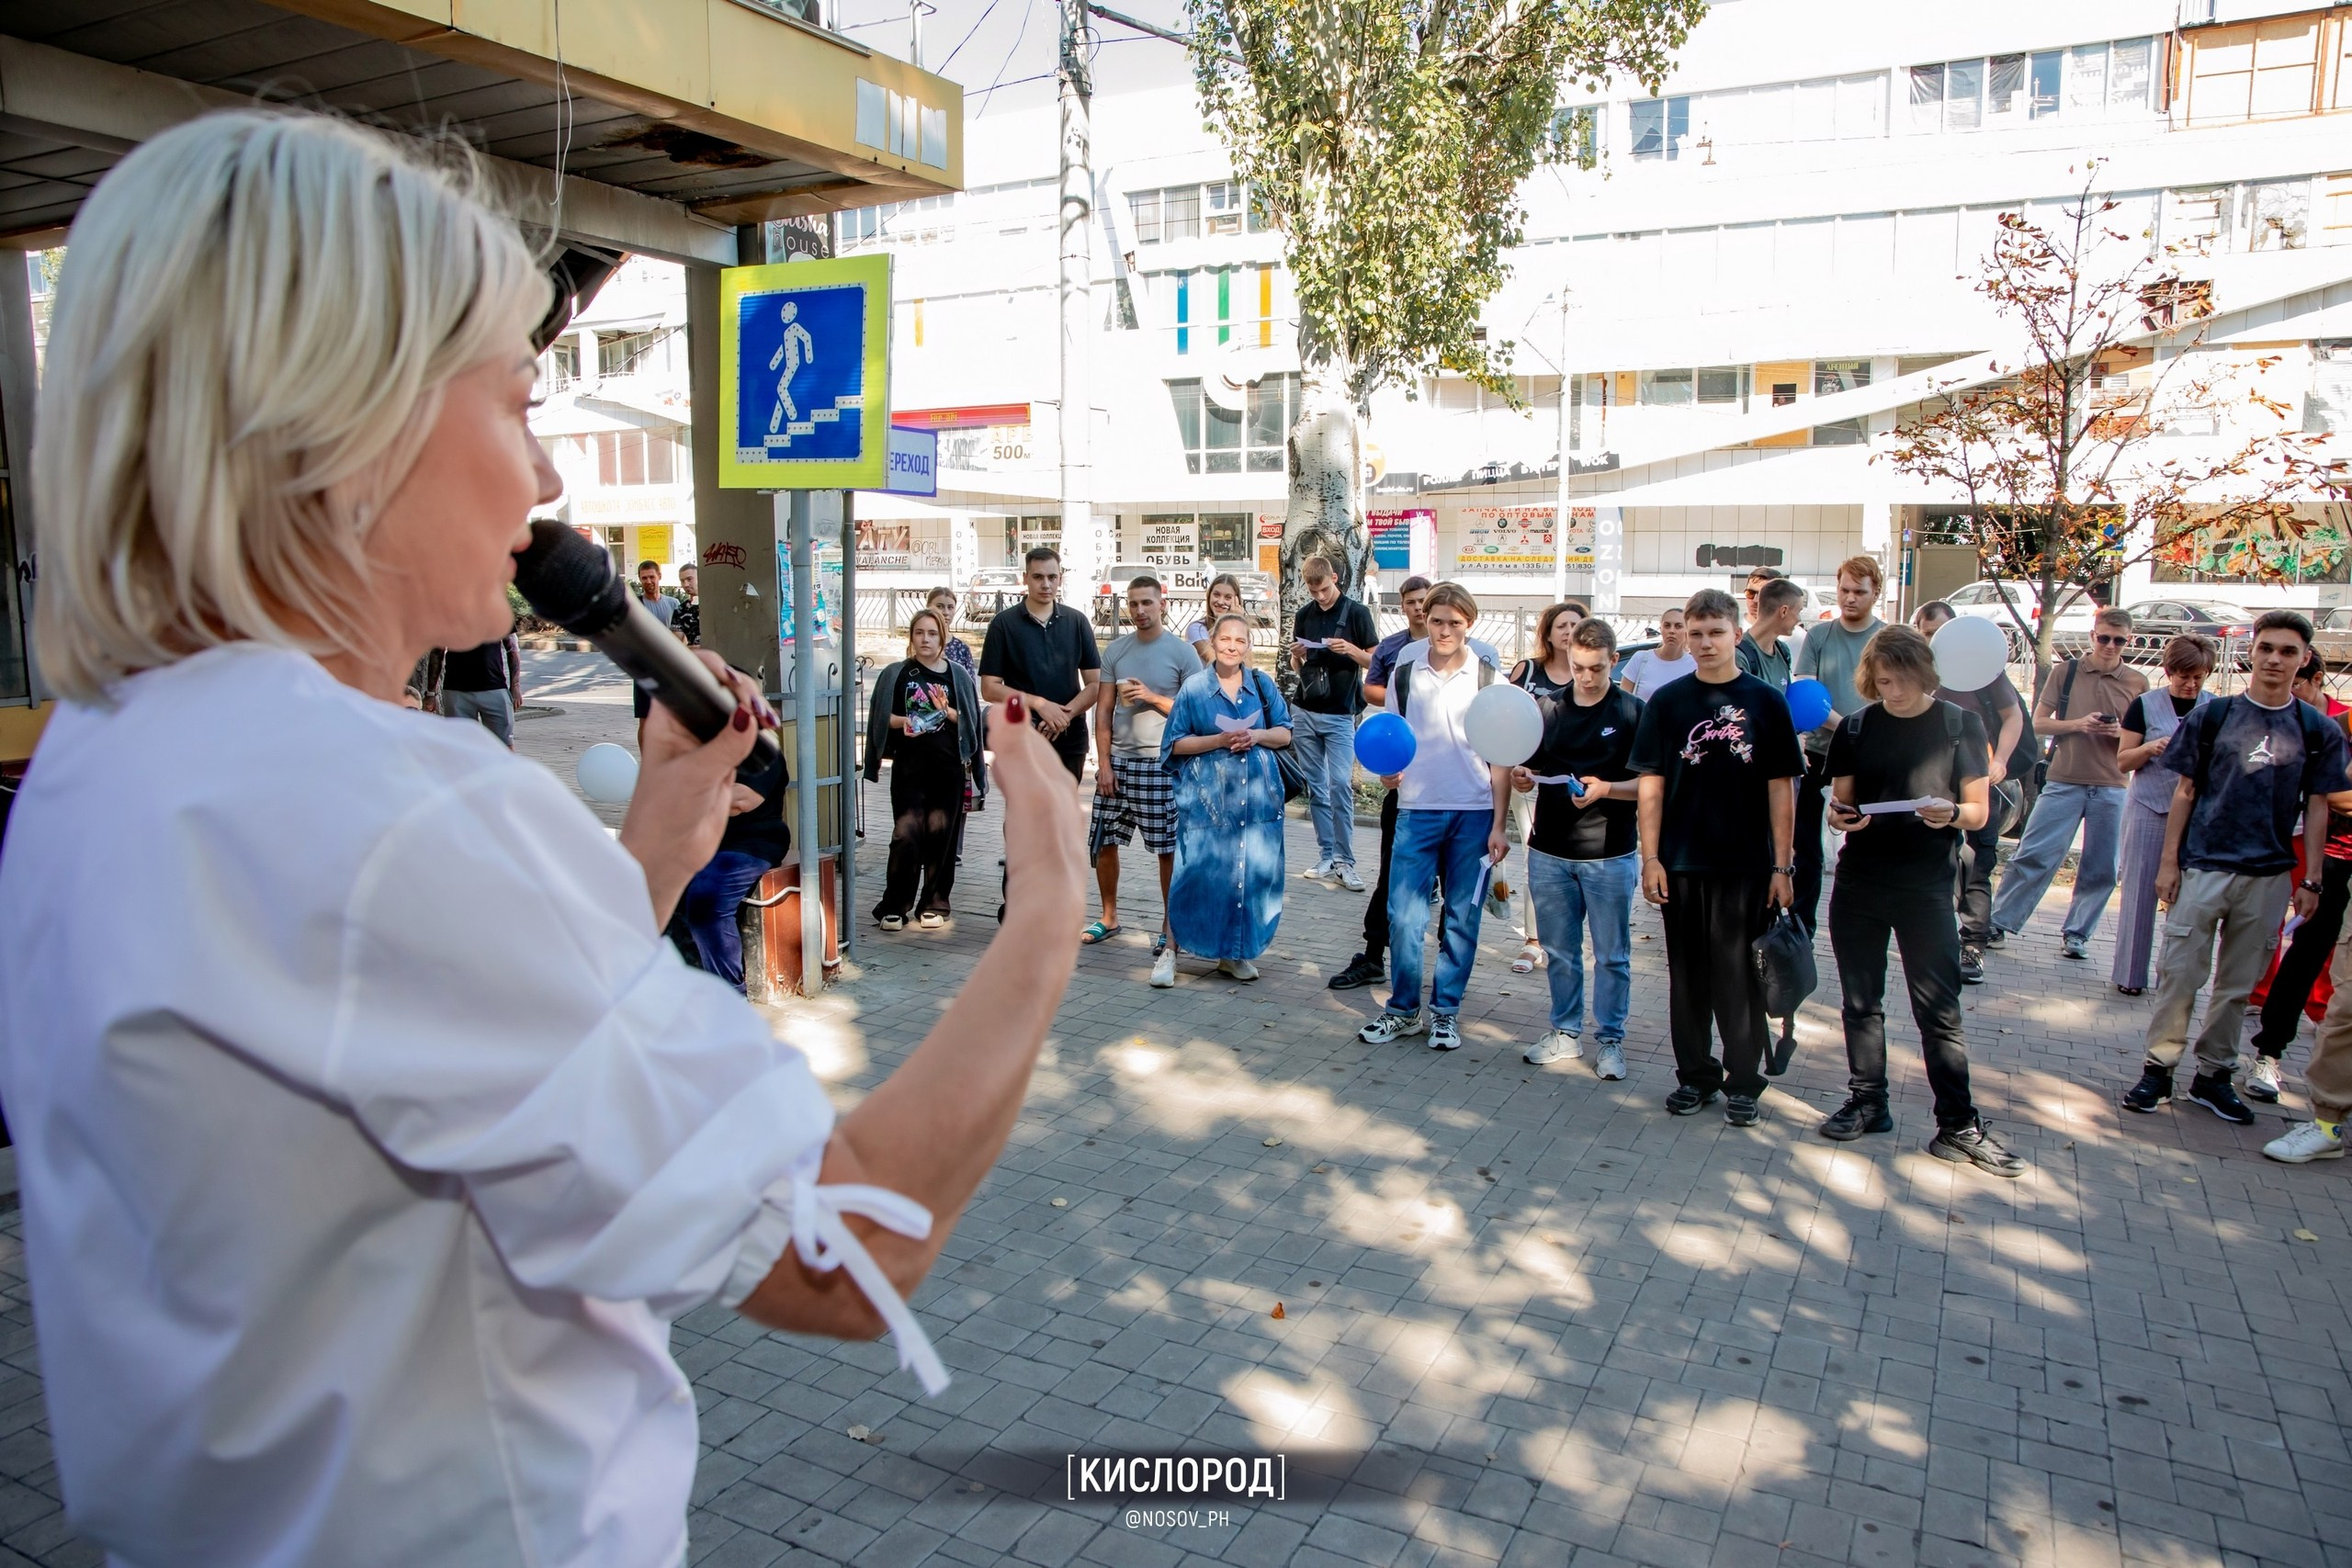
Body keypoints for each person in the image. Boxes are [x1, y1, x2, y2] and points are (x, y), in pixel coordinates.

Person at [0, 110, 1087, 1568]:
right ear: (351, 420)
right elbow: (850, 1243)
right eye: (517, 403)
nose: (549, 484)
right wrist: (1049, 904)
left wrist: (659, 826)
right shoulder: (392, 807)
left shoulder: (108, 750)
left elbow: (416, 1039)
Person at [2123, 612, 2352, 1124]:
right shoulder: (2214, 716)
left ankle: (2214, 1075)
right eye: (2267, 648)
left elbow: (2319, 806)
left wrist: (2311, 878)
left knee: (2236, 984)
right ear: (2252, 650)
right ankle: (2158, 1070)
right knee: (2179, 973)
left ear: (2304, 660)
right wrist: (2169, 864)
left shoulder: (2316, 728)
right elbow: (2185, 791)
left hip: (2270, 874)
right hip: (2203, 867)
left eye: (2288, 652)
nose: (2275, 659)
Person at [1817, 626, 2022, 1175]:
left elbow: (1981, 813)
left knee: (1939, 1010)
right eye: (1883, 682)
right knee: (1861, 1002)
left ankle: (1957, 1123)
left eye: (1904, 681)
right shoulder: (1858, 726)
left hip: (1927, 886)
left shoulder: (1960, 726)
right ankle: (1868, 1100)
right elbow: (1841, 803)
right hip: (1860, 883)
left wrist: (1951, 813)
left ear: (1926, 675)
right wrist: (1842, 817)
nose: (1895, 692)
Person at [1632, 588, 1804, 1126]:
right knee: (1688, 979)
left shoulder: (1766, 701)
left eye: (1715, 632)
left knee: (1737, 977)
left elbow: (1782, 788)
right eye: (1694, 632)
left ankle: (1743, 1081)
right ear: (1682, 633)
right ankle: (1695, 1076)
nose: (1704, 643)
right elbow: (1651, 785)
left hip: (1747, 864)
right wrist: (1651, 858)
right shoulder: (1668, 702)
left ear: (1736, 632)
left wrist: (1782, 865)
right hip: (1681, 862)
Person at [1357, 584, 1511, 1053]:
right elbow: (1393, 734)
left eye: (1455, 623)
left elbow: (1501, 757)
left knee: (1462, 917)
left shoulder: (1488, 676)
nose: (1444, 630)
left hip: (1474, 810)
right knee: (1404, 916)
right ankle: (1403, 1010)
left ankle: (1445, 1013)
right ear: (1425, 617)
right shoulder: (1405, 667)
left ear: (1470, 624)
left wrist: (1500, 824)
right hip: (1417, 808)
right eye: (1437, 620)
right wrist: (1386, 773)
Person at [1512, 617, 1643, 1079]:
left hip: (1609, 855)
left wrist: (1608, 789)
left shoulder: (1631, 712)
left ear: (1614, 661)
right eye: (1579, 667)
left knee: (1611, 954)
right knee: (1560, 950)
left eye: (1597, 669)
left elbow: (1650, 785)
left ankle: (1611, 1041)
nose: (1586, 678)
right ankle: (1565, 1032)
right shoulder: (1547, 708)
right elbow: (1526, 766)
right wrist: (1522, 776)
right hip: (1549, 851)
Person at [1991, 606, 2148, 959]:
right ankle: (1999, 922)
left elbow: (2140, 736)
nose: (2110, 646)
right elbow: (2038, 723)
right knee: (2033, 854)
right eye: (2104, 637)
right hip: (2064, 779)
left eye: (2118, 640)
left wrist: (2116, 731)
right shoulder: (2067, 671)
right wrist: (2078, 724)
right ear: (2093, 635)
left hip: (2112, 785)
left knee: (2102, 867)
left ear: (2129, 641)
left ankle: (2077, 933)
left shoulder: (2137, 682)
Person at [1160, 613, 1293, 983]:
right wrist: (1219, 741)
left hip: (1256, 800)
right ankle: (1170, 951)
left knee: (1245, 874)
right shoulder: (1194, 689)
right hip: (1206, 802)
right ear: (1213, 642)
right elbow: (1173, 745)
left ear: (1249, 646)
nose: (1232, 647)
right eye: (1225, 640)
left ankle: (1233, 954)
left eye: (1240, 641)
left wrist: (1256, 736)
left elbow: (1284, 733)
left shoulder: (1262, 685)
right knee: (1194, 874)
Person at [2246, 650, 2352, 1100]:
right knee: (2306, 953)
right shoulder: (2341, 727)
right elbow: (2336, 794)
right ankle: (2268, 1057)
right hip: (2336, 858)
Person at [1912, 599, 2035, 984]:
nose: (1933, 641)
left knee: (1976, 864)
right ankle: (1934, 939)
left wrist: (1999, 761)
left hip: (1979, 784)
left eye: (1938, 633)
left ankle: (1972, 944)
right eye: (1926, 633)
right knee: (1934, 863)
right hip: (1932, 785)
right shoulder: (1919, 671)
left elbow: (2012, 716)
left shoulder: (1984, 671)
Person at [1085, 576, 1202, 973]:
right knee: (1104, 841)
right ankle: (1109, 916)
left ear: (1162, 603)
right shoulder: (1115, 650)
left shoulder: (1184, 654)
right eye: (1133, 604)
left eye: (1147, 603)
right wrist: (1103, 763)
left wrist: (1151, 697)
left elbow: (1193, 715)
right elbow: (1102, 711)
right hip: (1118, 762)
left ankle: (1170, 926)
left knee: (1167, 848)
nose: (1139, 611)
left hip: (1160, 763)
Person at [1329, 574, 1433, 991]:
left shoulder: (1474, 664)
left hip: (1459, 796)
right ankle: (1374, 955)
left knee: (1456, 889)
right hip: (1404, 783)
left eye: (1427, 603)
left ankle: (1449, 971)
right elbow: (1378, 698)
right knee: (1392, 870)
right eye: (1412, 602)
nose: (1422, 611)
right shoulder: (1395, 652)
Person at [864, 608, 984, 931]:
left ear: (942, 638)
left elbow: (973, 724)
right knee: (906, 835)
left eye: (932, 633)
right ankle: (895, 905)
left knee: (940, 836)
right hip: (909, 769)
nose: (925, 639)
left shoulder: (956, 675)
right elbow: (879, 718)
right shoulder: (897, 673)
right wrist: (903, 722)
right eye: (919, 633)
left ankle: (934, 903)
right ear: (911, 637)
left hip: (948, 770)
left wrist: (948, 712)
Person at [2109, 636, 2218, 995]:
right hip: (2149, 807)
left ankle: (2172, 979)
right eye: (2183, 676)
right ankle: (2129, 975)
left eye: (2198, 678)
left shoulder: (2215, 709)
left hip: (2195, 816)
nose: (2190, 684)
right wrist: (2150, 748)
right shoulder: (2144, 705)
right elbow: (2123, 761)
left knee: (2186, 902)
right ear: (2169, 671)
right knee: (2140, 892)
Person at [1789, 555, 1885, 933]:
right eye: (1844, 590)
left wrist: (1862, 735)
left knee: (1866, 839)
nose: (1850, 598)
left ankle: (1863, 923)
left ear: (1875, 592)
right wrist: (1846, 728)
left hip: (1870, 755)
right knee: (1806, 846)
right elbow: (1806, 691)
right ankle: (1801, 926)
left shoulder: (1885, 637)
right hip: (1819, 751)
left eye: (1859, 592)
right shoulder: (1819, 635)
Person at [677, 716, 788, 988]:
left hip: (749, 843)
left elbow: (741, 800)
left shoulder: (762, 748)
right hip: (700, 841)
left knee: (707, 901)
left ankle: (729, 995)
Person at [1288, 555, 1377, 890]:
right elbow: (1300, 670)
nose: (1320, 597)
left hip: (1341, 713)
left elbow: (1375, 660)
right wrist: (1297, 655)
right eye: (1313, 592)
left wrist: (1350, 650)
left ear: (1335, 578)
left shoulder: (1356, 613)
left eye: (1324, 589)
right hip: (1306, 709)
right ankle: (1326, 854)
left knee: (1340, 785)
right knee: (1317, 786)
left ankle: (1346, 860)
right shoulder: (1304, 615)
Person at [1503, 603, 1584, 975]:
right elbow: (1503, 717)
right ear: (1548, 633)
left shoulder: (1588, 673)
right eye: (1561, 625)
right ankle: (1533, 941)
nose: (1568, 631)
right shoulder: (1528, 670)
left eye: (1575, 624)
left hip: (1572, 785)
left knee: (1570, 863)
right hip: (1529, 778)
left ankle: (1564, 938)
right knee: (1536, 857)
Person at [980, 544, 1102, 782]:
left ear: (1060, 578)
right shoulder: (1003, 624)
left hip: (1070, 739)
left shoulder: (1077, 622)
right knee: (1024, 815)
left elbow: (1095, 684)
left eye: (1052, 577)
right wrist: (1039, 704)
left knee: (1063, 814)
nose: (1046, 584)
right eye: (1038, 577)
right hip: (1021, 736)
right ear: (1025, 578)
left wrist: (1064, 715)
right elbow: (990, 688)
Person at [434, 628, 525, 747]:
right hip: (456, 690)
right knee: (460, 747)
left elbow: (512, 648)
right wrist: (431, 693)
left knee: (504, 746)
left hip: (494, 687)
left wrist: (516, 686)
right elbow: (437, 652)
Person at [630, 557, 678, 748]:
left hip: (670, 671)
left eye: (652, 577)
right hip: (644, 670)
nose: (648, 582)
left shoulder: (674, 604)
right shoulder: (635, 604)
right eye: (644, 578)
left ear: (660, 576)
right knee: (646, 718)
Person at [1736, 578, 1804, 691]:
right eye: (1798, 612)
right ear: (1784, 611)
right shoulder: (1739, 655)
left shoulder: (1783, 651)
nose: (1799, 619)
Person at [1620, 607, 1694, 700]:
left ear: (1687, 630)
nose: (1671, 631)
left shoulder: (1695, 665)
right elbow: (1623, 702)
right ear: (1661, 628)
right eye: (1667, 626)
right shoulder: (1641, 659)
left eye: (1678, 626)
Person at [927, 584, 977, 678]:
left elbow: (969, 687)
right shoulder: (922, 644)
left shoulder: (961, 649)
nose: (946, 612)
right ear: (928, 607)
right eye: (940, 606)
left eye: (950, 607)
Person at [1186, 572, 1248, 650]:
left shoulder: (1243, 630)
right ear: (1209, 596)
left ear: (1236, 601)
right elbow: (1216, 660)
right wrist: (1232, 623)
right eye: (1216, 595)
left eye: (1228, 597)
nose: (1220, 602)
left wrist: (1237, 625)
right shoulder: (1197, 628)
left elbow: (1246, 661)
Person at [673, 562, 701, 648]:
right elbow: (674, 645)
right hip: (694, 658)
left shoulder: (715, 604)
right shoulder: (680, 610)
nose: (685, 584)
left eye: (689, 579)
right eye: (682, 581)